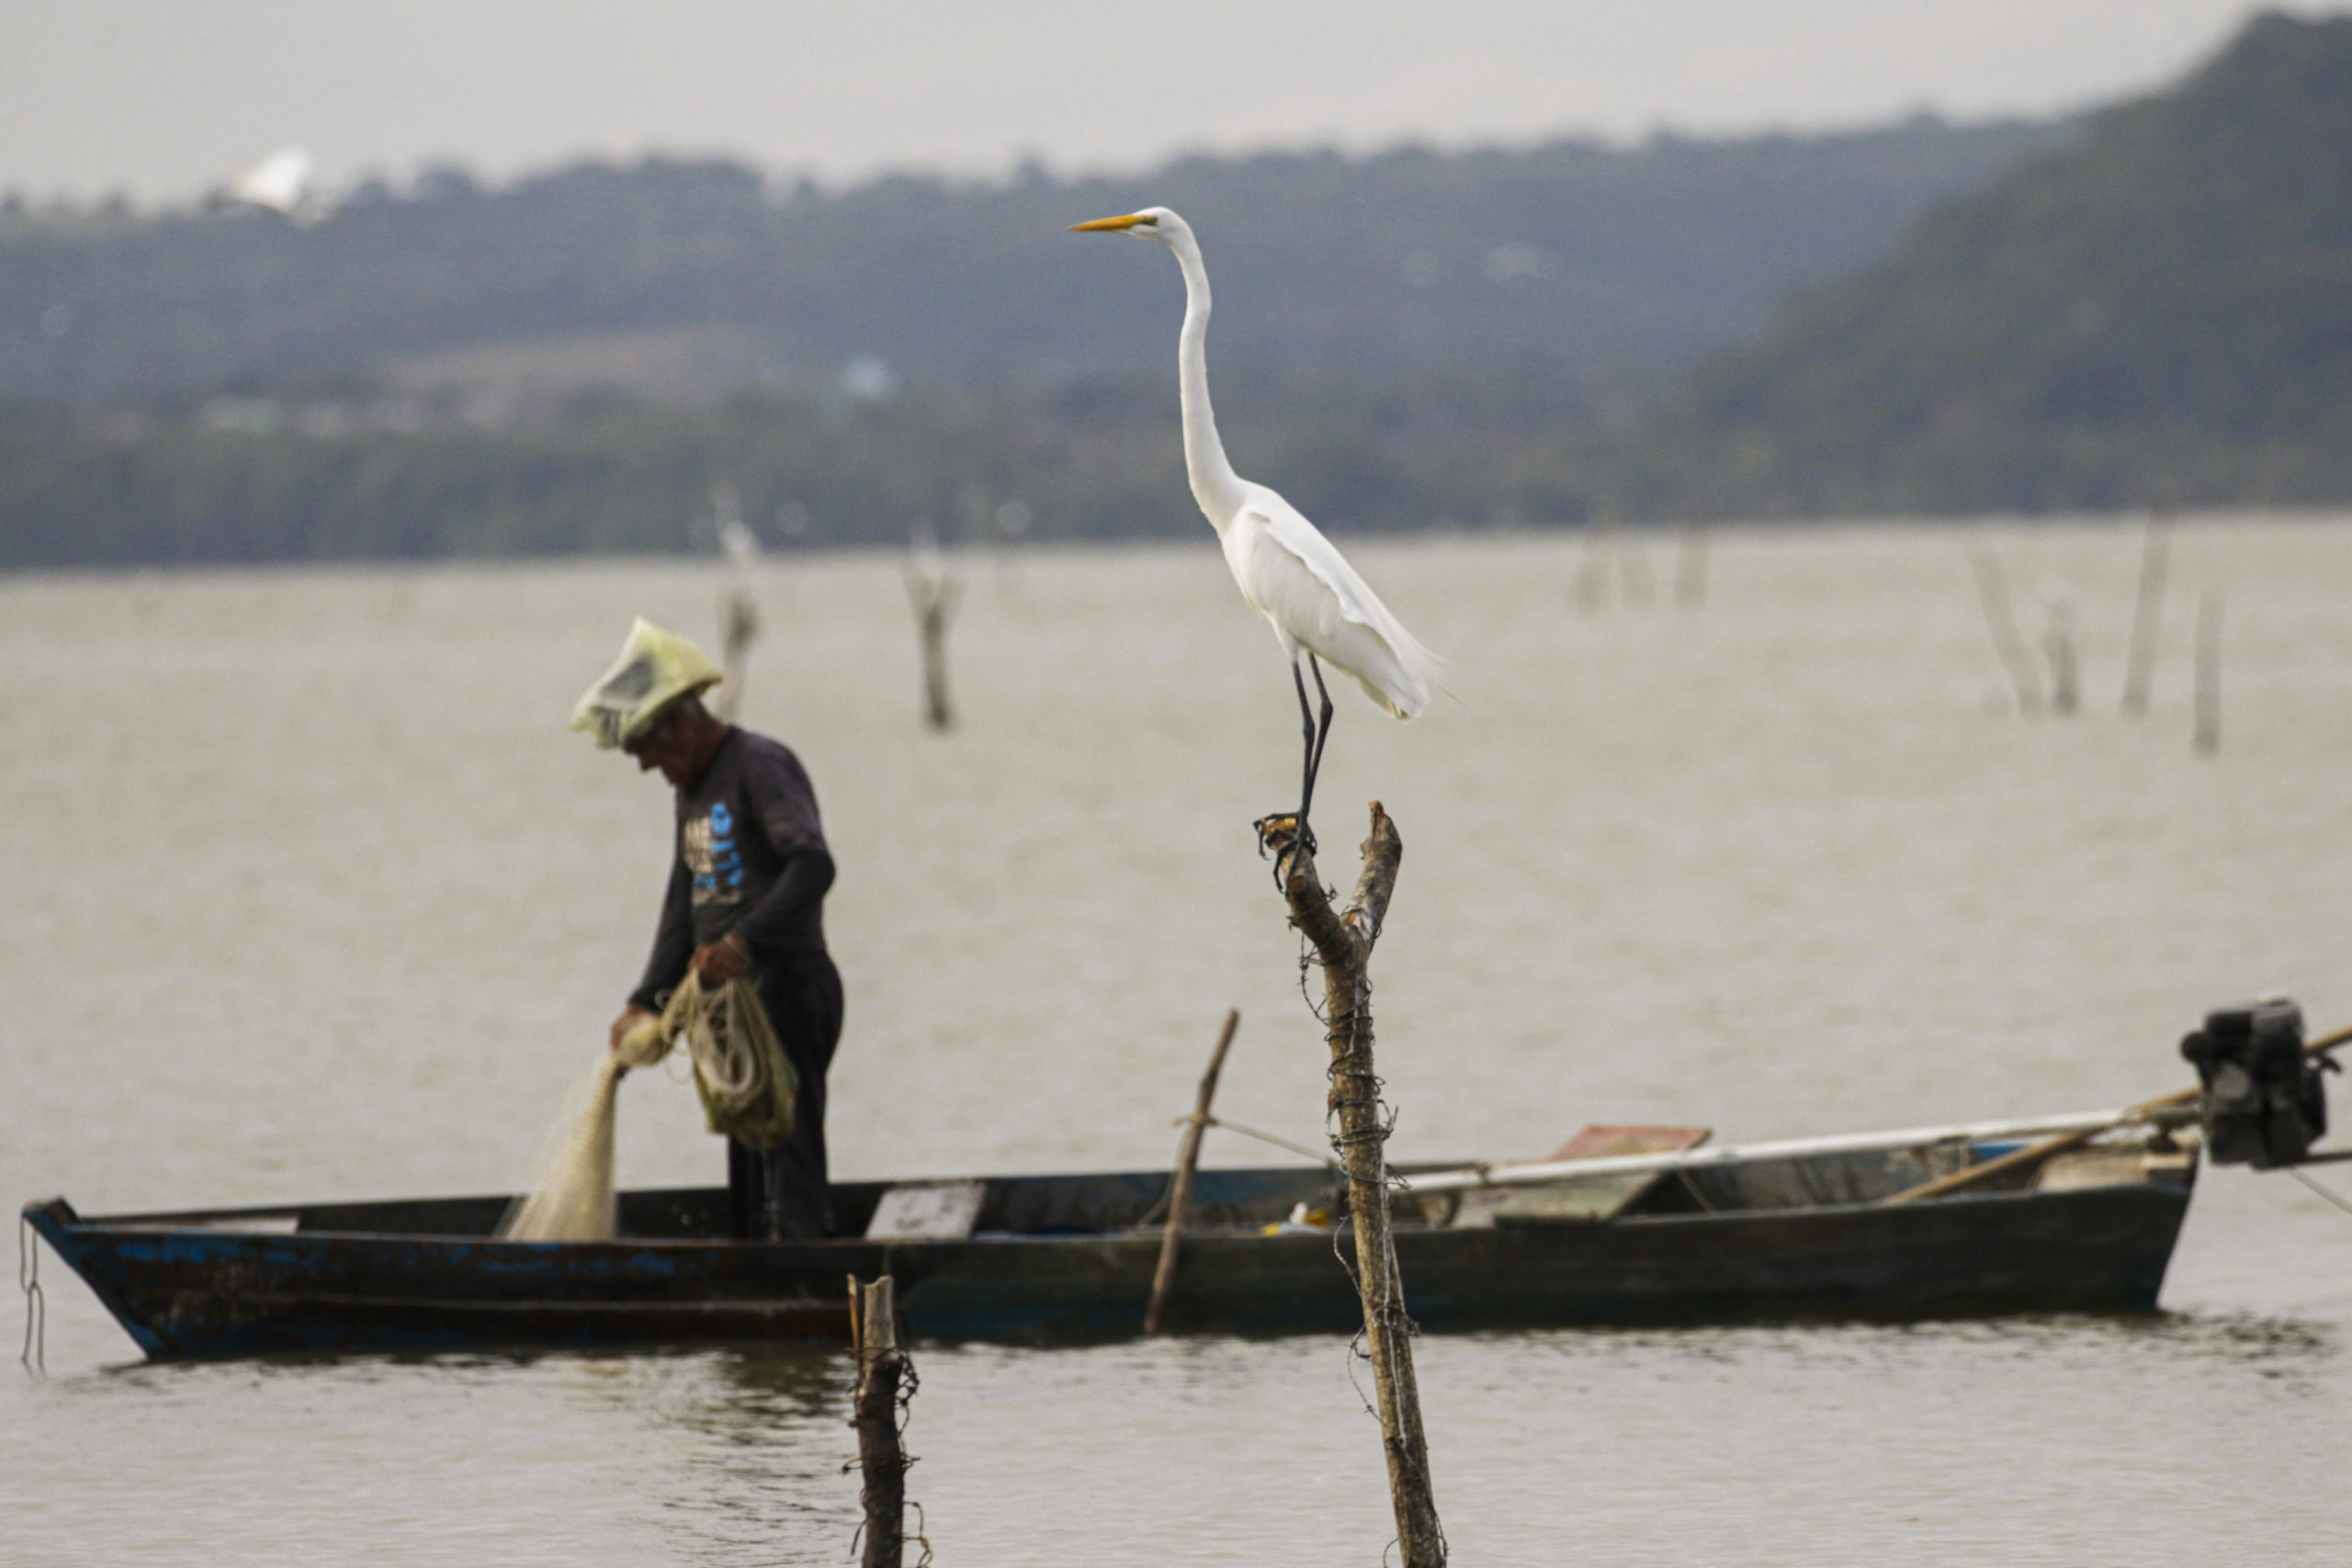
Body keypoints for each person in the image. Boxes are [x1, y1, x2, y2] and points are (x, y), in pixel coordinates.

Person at [571, 617, 842, 1241]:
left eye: (646, 747)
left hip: (790, 986)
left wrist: (743, 943)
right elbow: (684, 900)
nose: (643, 765)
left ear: (680, 723)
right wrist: (645, 997)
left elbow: (812, 864)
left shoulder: (759, 765)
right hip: (727, 1002)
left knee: (790, 1135)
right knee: (745, 1143)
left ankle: (804, 1276)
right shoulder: (691, 788)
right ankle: (752, 1265)